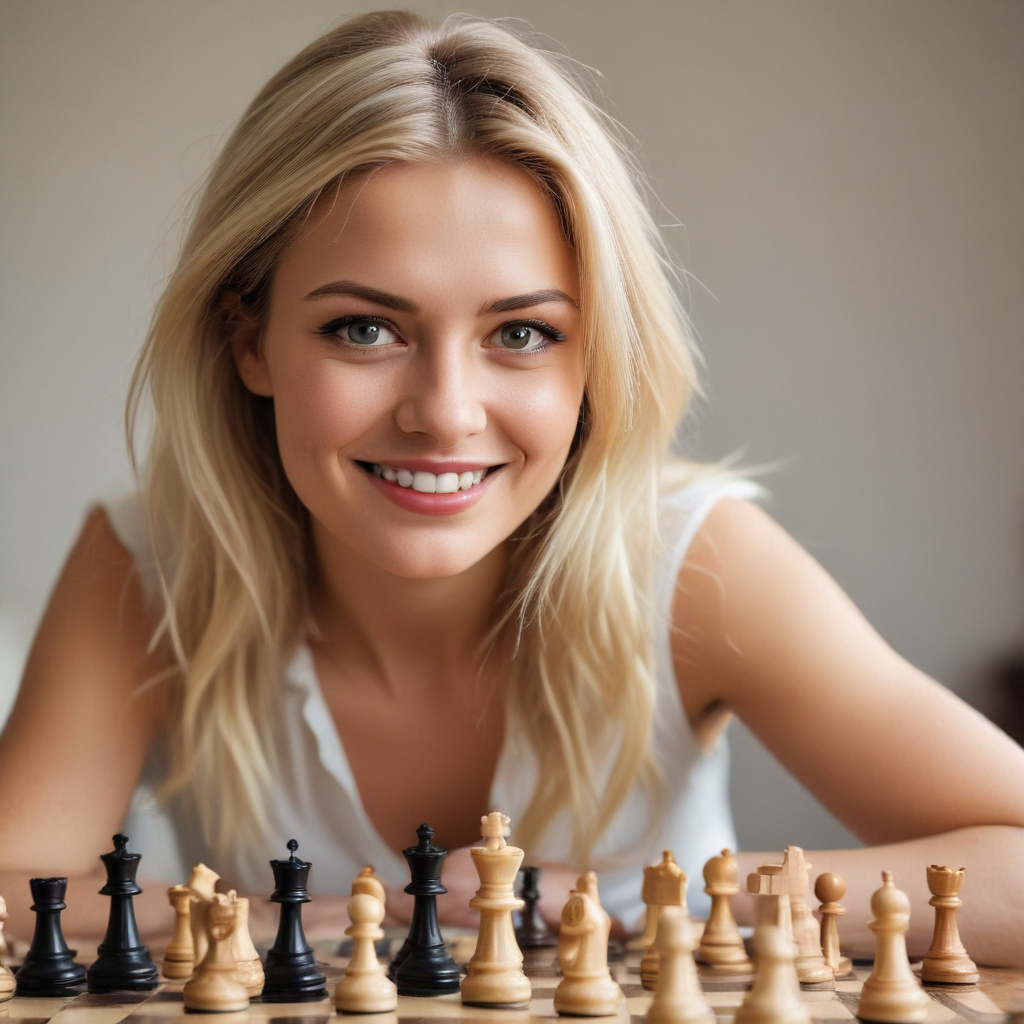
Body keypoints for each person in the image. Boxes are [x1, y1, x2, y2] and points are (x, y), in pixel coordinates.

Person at [1, 10, 1023, 965]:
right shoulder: (149, 566)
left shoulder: (693, 563)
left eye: (521, 334)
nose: (445, 411)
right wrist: (284, 918)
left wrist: (654, 897)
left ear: (596, 360)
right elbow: (12, 884)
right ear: (248, 341)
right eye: (365, 328)